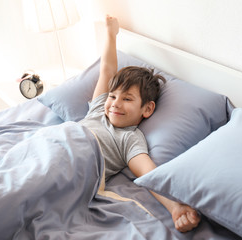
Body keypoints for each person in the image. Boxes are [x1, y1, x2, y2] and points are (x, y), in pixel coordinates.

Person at [79, 15, 201, 233]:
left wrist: (175, 208)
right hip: (56, 140)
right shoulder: (99, 108)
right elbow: (107, 68)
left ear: (147, 109)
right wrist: (111, 33)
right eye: (113, 96)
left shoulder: (129, 138)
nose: (115, 104)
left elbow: (149, 174)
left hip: (75, 166)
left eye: (127, 99)